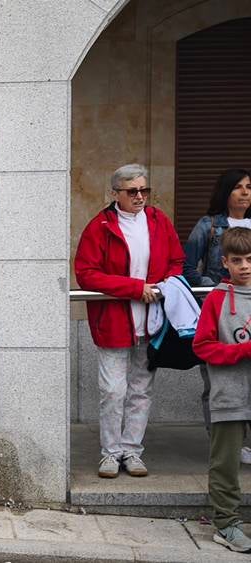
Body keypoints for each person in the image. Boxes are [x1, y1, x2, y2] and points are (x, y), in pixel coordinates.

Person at [75, 163, 184, 479]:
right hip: (114, 321)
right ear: (115, 193)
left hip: (152, 321)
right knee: (113, 391)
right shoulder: (100, 227)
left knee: (141, 390)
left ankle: (132, 451)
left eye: (144, 190)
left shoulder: (158, 221)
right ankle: (110, 453)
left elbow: (177, 261)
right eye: (132, 191)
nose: (140, 196)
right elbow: (86, 273)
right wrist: (136, 288)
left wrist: (165, 285)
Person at [192, 227, 251, 553]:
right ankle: (227, 525)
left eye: (250, 259)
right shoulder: (216, 299)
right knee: (225, 465)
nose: (245, 266)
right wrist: (243, 351)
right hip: (229, 396)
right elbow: (202, 347)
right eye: (238, 260)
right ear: (225, 262)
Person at [182, 169, 251, 435]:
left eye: (248, 187)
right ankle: (221, 440)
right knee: (216, 380)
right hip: (220, 310)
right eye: (238, 187)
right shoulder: (209, 225)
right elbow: (187, 267)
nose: (245, 192)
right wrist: (213, 289)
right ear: (226, 192)